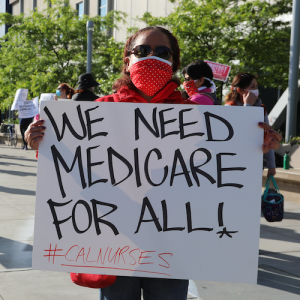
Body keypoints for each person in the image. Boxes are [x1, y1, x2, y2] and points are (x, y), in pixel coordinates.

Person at [25, 26, 282, 300]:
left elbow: (218, 170)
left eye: (162, 52)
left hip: (173, 244)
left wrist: (254, 147)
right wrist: (41, 142)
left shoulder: (196, 117)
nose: (152, 57)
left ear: (173, 63)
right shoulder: (99, 110)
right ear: (127, 60)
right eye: (142, 50)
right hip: (116, 240)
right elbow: (70, 165)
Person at [225, 72, 276, 177]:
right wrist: (247, 106)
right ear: (240, 90)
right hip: (234, 161)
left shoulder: (261, 108)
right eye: (252, 87)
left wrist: (271, 165)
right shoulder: (230, 107)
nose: (256, 90)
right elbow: (240, 131)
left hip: (256, 160)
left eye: (256, 86)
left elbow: (268, 135)